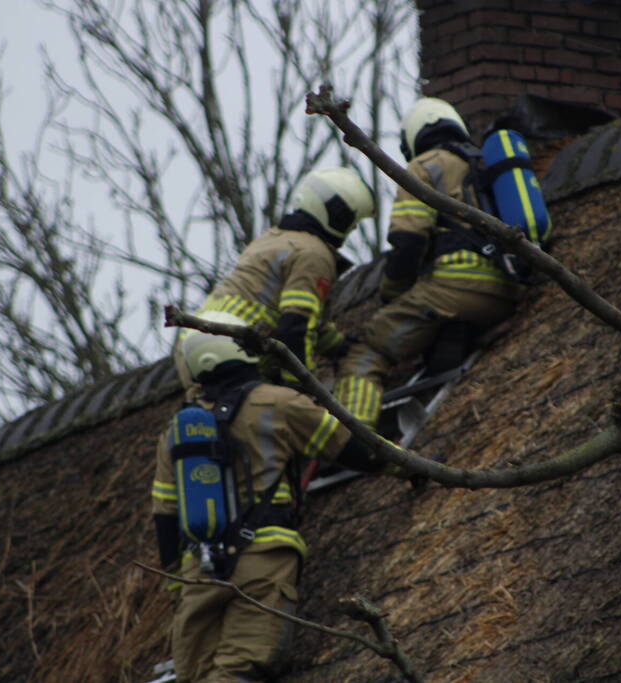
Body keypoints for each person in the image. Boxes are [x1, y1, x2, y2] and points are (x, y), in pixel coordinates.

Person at [152, 311, 396, 682]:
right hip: (263, 560)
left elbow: (165, 516)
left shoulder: (177, 430)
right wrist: (413, 466)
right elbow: (358, 450)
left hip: (196, 574)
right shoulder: (279, 402)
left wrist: (178, 584)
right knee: (241, 668)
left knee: (194, 675)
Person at [333, 97, 524, 430]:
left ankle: (358, 440)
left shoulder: (425, 164)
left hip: (453, 289)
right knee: (444, 320)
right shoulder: (484, 163)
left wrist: (392, 294)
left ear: (413, 137)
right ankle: (449, 344)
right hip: (507, 290)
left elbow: (409, 239)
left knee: (364, 349)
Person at [172, 167, 375, 395]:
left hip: (194, 343)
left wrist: (337, 347)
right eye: (351, 221)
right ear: (337, 214)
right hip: (234, 345)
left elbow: (308, 318)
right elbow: (296, 324)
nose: (351, 229)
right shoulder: (314, 254)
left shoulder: (274, 238)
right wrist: (300, 389)